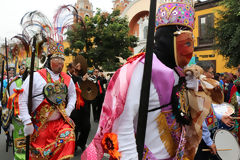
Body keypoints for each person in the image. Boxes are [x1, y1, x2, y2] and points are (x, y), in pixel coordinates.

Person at [81, 1, 223, 159]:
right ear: (169, 39)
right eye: (186, 42)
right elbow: (123, 126)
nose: (190, 49)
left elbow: (187, 114)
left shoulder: (179, 72)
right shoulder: (139, 71)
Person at [19, 41, 76, 160]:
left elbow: (72, 96)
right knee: (39, 155)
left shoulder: (67, 79)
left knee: (69, 137)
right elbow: (22, 99)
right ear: (49, 60)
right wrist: (27, 121)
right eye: (56, 58)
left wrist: (68, 110)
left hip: (60, 123)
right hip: (40, 125)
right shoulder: (36, 76)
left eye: (62, 59)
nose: (60, 62)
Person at [194, 61, 234, 160]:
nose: (212, 76)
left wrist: (220, 117)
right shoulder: (196, 90)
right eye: (211, 73)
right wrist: (209, 141)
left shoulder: (204, 88)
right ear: (202, 72)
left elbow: (209, 109)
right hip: (200, 139)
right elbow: (199, 119)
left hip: (207, 135)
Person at [69, 55, 91, 152]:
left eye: (80, 65)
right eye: (77, 64)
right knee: (75, 128)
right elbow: (75, 88)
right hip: (75, 107)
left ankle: (81, 143)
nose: (79, 66)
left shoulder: (83, 77)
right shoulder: (70, 77)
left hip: (84, 106)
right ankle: (72, 147)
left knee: (87, 126)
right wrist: (83, 81)